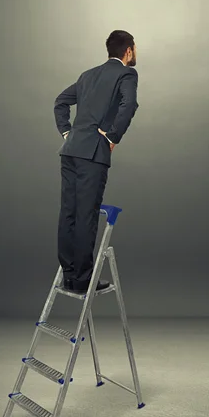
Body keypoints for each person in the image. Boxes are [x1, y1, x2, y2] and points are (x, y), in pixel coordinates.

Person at [53, 30, 139, 292]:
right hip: (92, 155)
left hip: (70, 152)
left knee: (69, 212)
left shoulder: (88, 75)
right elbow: (130, 104)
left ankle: (69, 274)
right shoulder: (127, 73)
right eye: (135, 49)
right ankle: (82, 279)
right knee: (86, 215)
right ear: (128, 51)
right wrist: (112, 136)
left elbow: (60, 102)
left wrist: (67, 132)